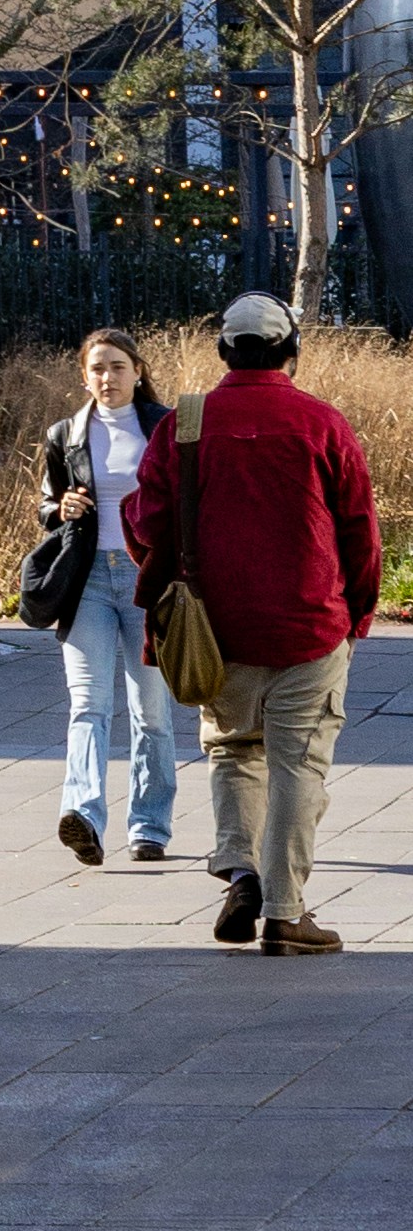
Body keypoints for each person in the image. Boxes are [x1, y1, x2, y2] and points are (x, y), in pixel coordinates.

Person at [124, 289, 382, 955]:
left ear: (223, 349)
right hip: (310, 624)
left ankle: (239, 870)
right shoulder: (321, 422)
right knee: (299, 765)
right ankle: (285, 911)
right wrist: (359, 610)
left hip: (216, 628)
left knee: (235, 750)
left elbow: (148, 523)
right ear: (290, 349)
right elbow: (359, 527)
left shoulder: (184, 422)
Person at [42, 326, 180, 870]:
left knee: (152, 712)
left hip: (148, 581)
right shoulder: (65, 435)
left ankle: (149, 826)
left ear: (138, 370)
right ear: (84, 376)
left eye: (118, 366)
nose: (107, 377)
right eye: (97, 368)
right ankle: (83, 815)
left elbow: (188, 500)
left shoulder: (164, 427)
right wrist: (61, 509)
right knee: (88, 705)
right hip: (89, 582)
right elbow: (46, 505)